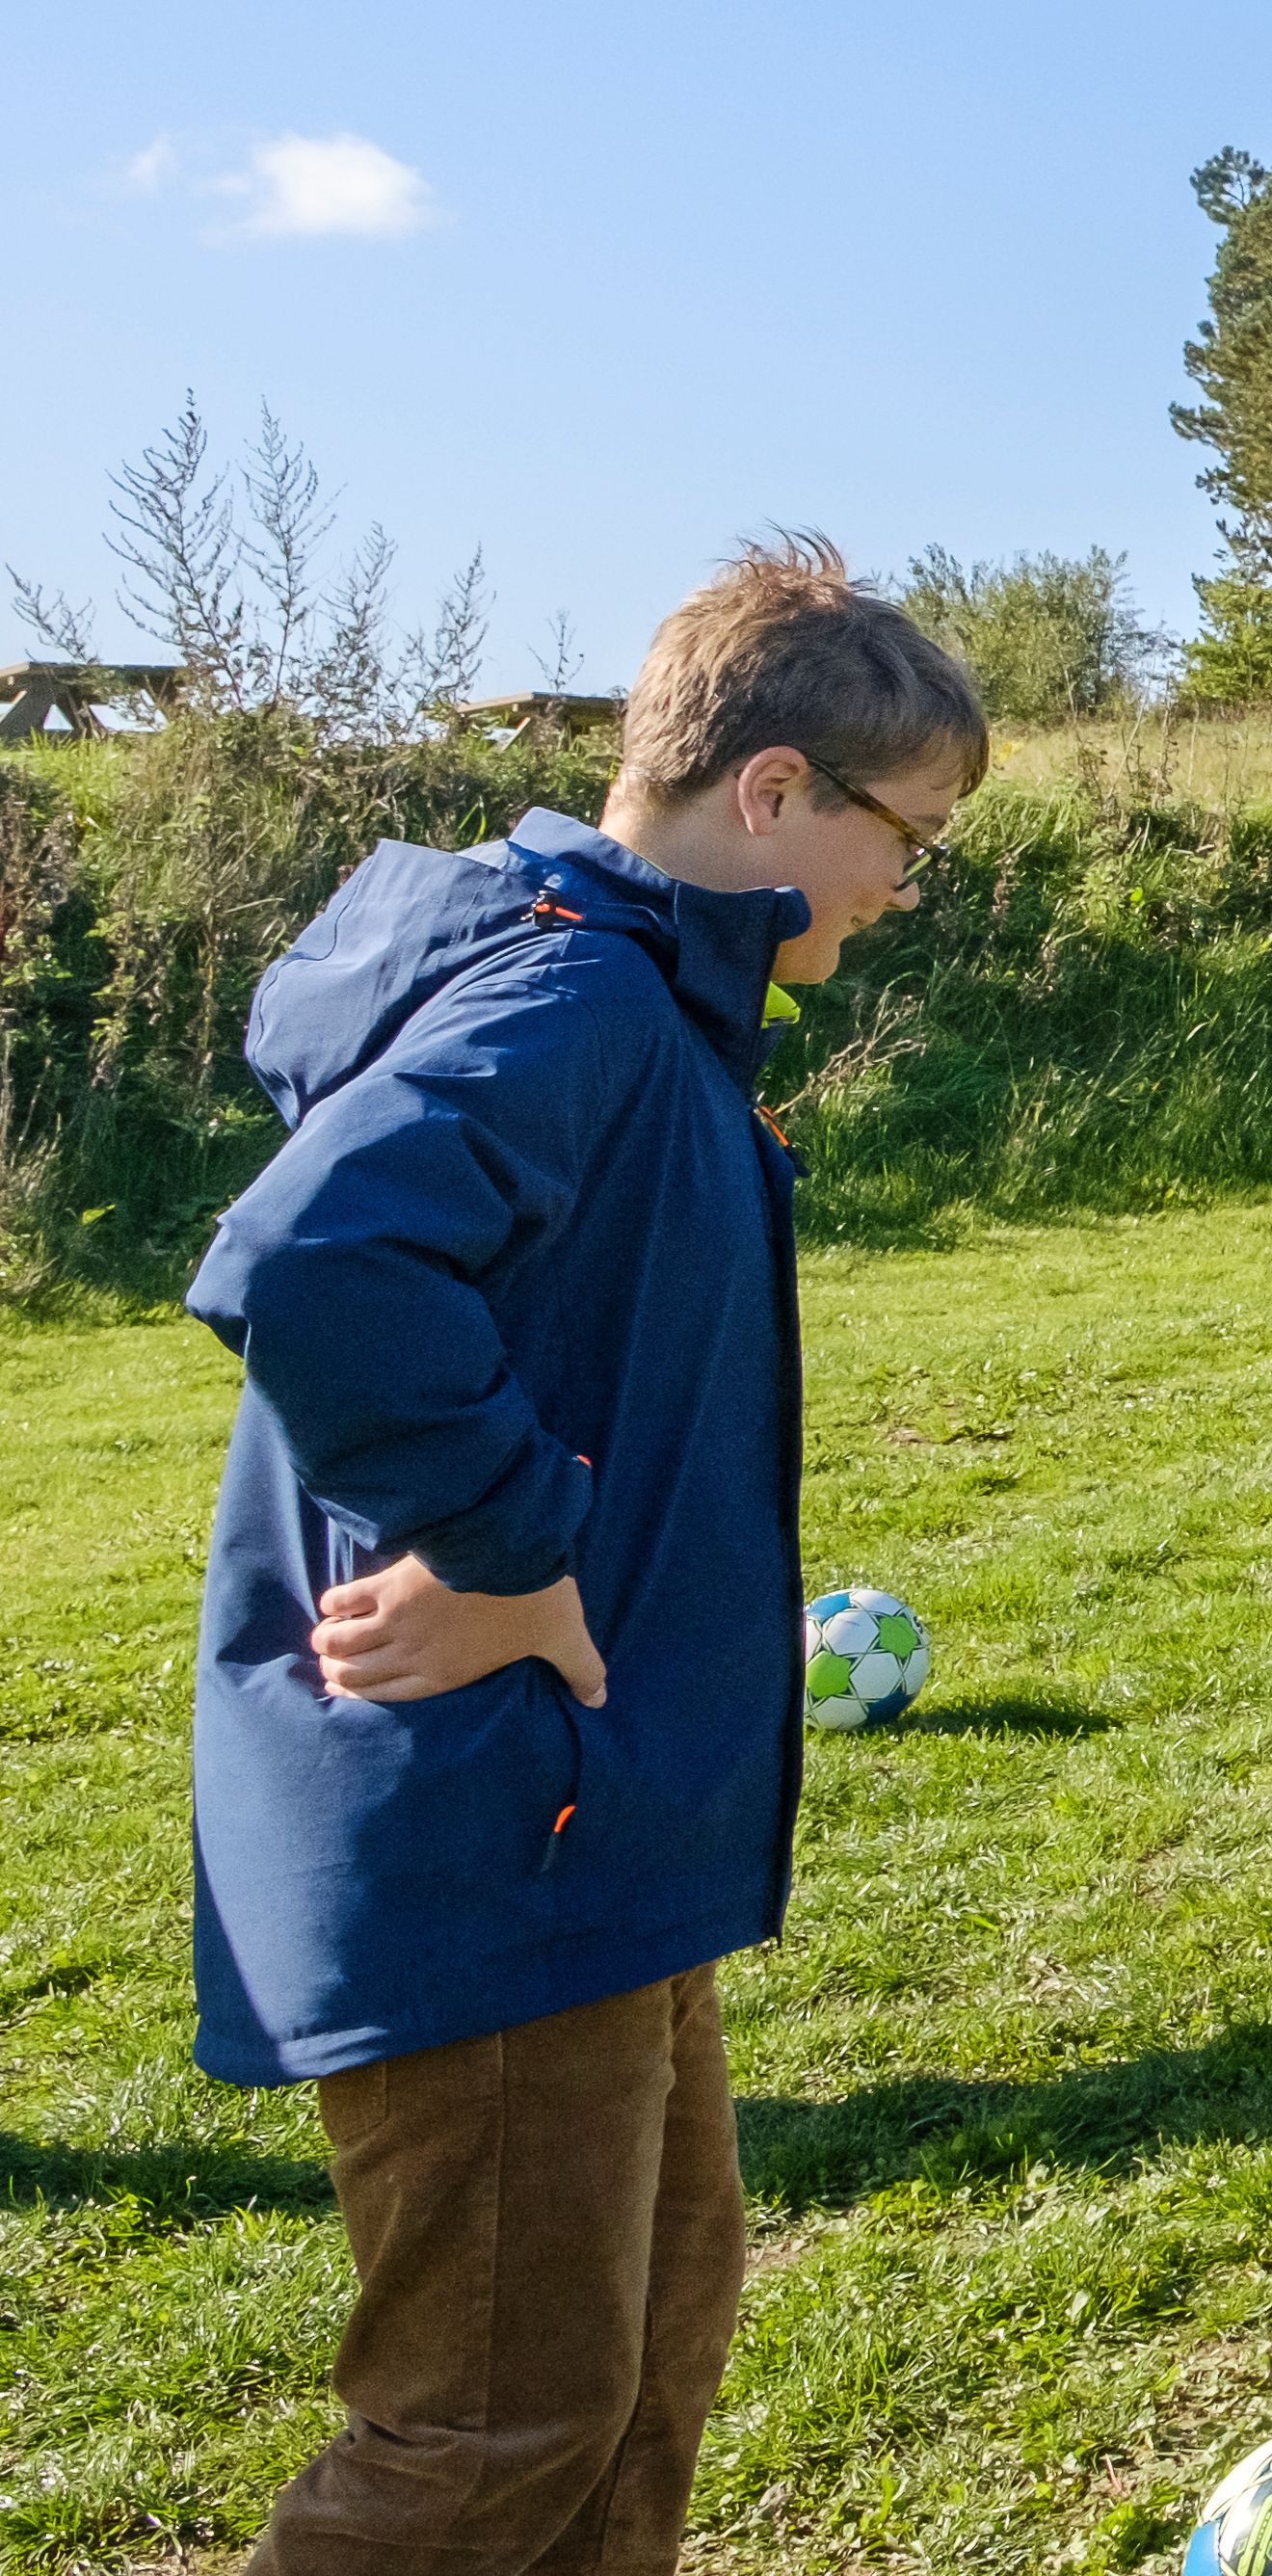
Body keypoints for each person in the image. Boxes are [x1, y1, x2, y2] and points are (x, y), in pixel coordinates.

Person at [186, 539, 986, 2575]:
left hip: (589, 1821)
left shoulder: (638, 1002)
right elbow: (322, 1261)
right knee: (488, 2429)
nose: (908, 887)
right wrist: (518, 1543)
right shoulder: (576, 994)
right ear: (776, 794)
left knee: (634, 2366)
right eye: (910, 834)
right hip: (493, 1821)